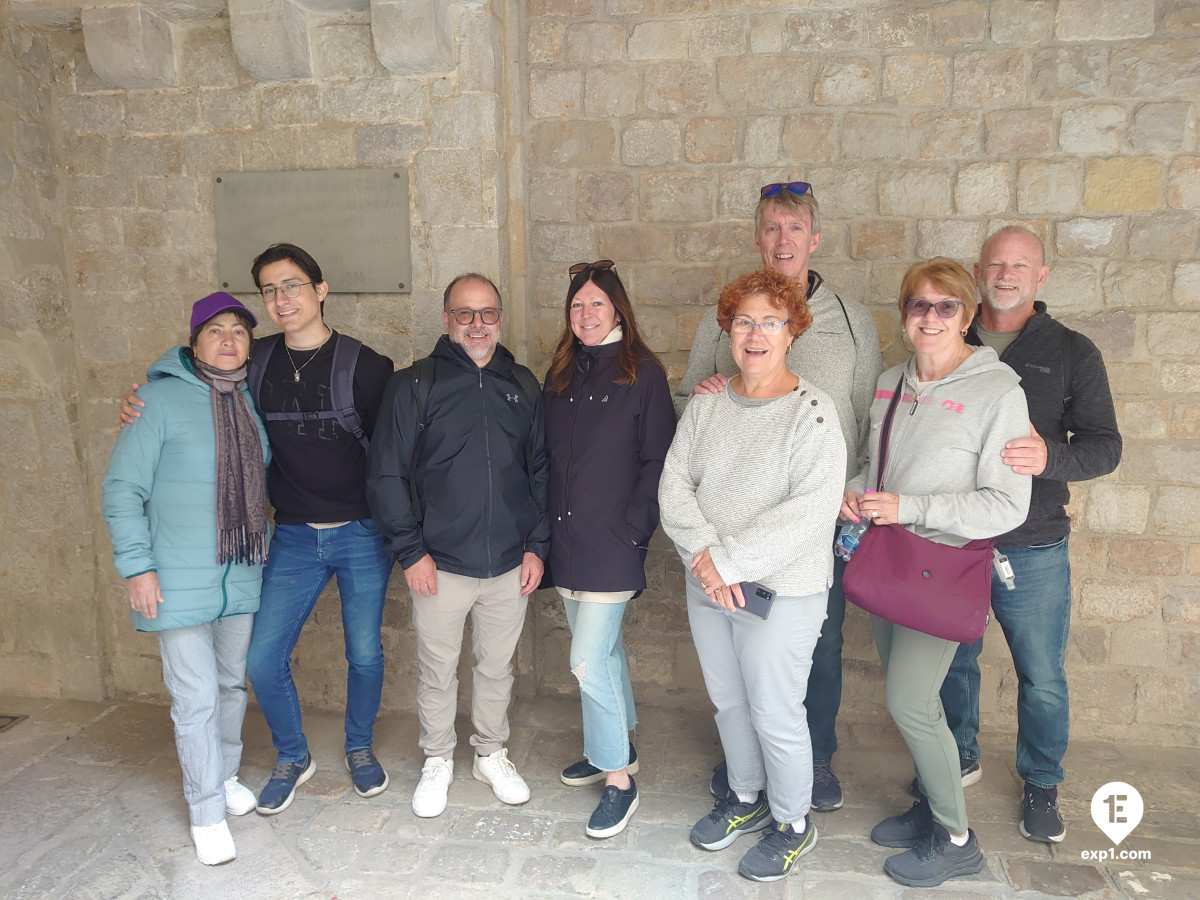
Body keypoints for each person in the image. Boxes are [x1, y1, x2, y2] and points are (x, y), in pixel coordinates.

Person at [123, 244, 396, 814]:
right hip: (292, 535)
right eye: (270, 290)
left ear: (321, 290)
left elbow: (396, 453)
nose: (282, 299)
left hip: (361, 533)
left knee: (365, 654)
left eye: (292, 285)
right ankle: (293, 755)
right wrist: (139, 400)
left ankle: (360, 747)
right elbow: (198, 381)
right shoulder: (257, 361)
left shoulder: (369, 367)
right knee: (262, 660)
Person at [674, 181, 881, 810]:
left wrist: (850, 491)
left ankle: (810, 760)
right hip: (731, 523)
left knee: (817, 645)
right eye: (771, 227)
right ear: (757, 238)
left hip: (818, 517)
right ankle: (750, 767)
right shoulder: (726, 317)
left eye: (794, 228)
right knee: (740, 663)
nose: (782, 239)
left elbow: (870, 419)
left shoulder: (852, 321)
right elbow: (689, 401)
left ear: (814, 239)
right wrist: (705, 393)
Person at [843, 258, 1031, 887]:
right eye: (919, 305)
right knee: (916, 704)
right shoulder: (889, 382)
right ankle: (932, 805)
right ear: (905, 314)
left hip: (941, 568)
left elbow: (1006, 504)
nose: (931, 317)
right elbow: (874, 465)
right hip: (889, 559)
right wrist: (856, 490)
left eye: (946, 306)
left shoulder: (997, 392)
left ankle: (956, 838)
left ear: (967, 316)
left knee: (910, 702)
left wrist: (910, 508)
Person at [660, 268, 846, 883]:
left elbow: (811, 511)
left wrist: (729, 562)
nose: (756, 333)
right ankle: (745, 796)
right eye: (744, 321)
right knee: (729, 701)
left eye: (770, 321)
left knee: (774, 709)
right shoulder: (709, 403)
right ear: (729, 331)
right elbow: (674, 486)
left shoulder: (813, 413)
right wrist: (707, 560)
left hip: (781, 592)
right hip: (708, 584)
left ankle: (793, 823)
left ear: (793, 331)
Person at [939, 226, 1122, 843]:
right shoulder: (948, 334)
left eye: (1020, 265)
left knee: (1041, 675)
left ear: (1040, 276)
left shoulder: (1071, 350)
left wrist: (1051, 457)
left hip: (1033, 543)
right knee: (953, 662)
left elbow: (1105, 446)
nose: (1006, 275)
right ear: (978, 271)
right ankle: (957, 757)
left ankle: (1042, 781)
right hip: (956, 539)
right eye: (996, 264)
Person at [366, 273, 549, 818]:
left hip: (509, 563)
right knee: (437, 669)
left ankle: (490, 753)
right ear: (446, 319)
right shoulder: (414, 384)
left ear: (500, 319)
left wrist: (537, 545)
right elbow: (386, 474)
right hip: (438, 564)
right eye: (465, 313)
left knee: (496, 667)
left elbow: (540, 471)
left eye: (487, 313)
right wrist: (410, 552)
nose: (477, 324)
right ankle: (438, 759)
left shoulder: (522, 384)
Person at [103, 294, 269, 865]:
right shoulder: (156, 401)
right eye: (215, 330)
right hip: (175, 577)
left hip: (240, 570)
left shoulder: (246, 400)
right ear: (193, 340)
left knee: (229, 687)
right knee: (195, 698)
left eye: (239, 331)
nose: (228, 340)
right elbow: (122, 490)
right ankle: (205, 811)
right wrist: (138, 567)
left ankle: (223, 775)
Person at [543, 260, 676, 838]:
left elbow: (658, 458)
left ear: (618, 309)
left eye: (596, 303)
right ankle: (615, 746)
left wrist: (635, 529)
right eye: (577, 305)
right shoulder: (561, 373)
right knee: (605, 652)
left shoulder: (642, 374)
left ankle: (618, 779)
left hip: (613, 542)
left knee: (586, 661)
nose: (586, 313)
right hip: (567, 540)